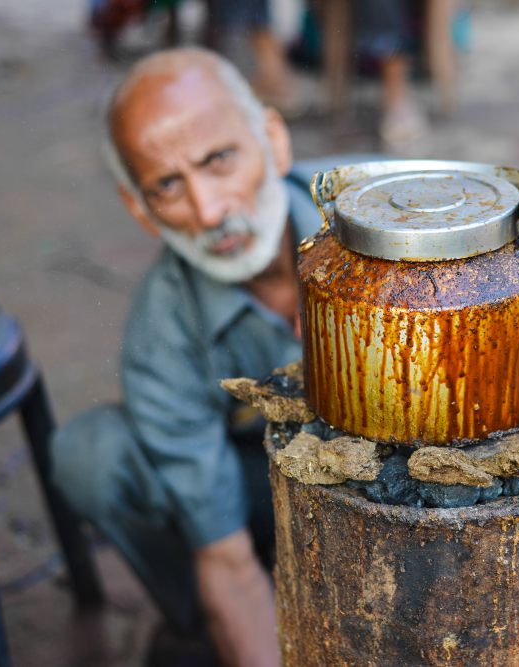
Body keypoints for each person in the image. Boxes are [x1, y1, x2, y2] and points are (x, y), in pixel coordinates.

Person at [51, 47, 329, 666]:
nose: (209, 212)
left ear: (274, 142)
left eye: (220, 160)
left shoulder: (385, 216)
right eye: (168, 186)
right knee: (94, 455)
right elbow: (224, 558)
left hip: (406, 480)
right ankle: (205, 624)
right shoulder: (161, 337)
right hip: (258, 494)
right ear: (139, 208)